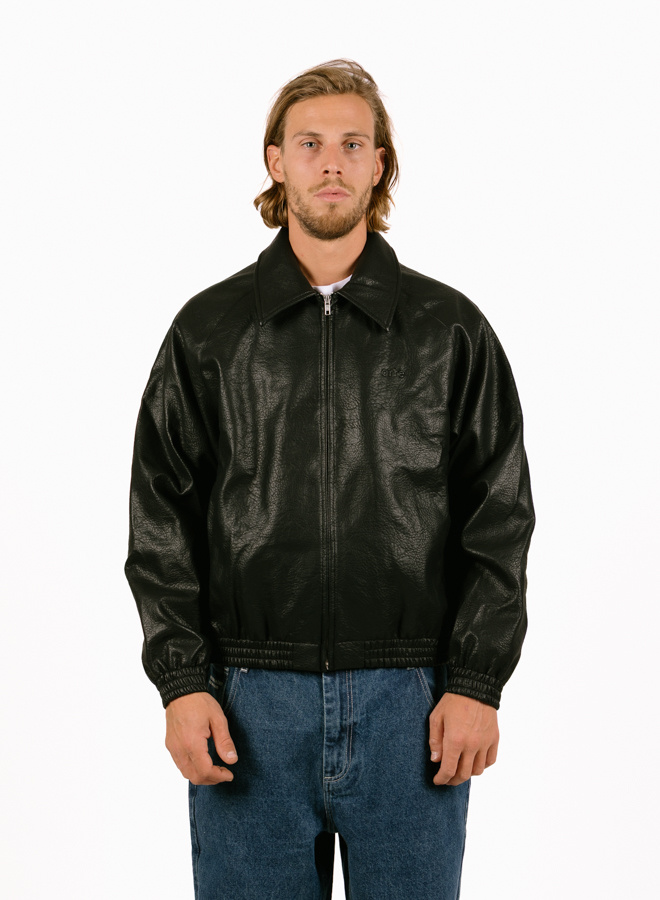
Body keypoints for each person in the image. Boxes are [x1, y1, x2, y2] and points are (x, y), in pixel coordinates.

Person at [124, 59, 535, 900]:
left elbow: (498, 517)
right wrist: (182, 683)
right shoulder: (209, 332)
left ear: (380, 164)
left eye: (353, 144)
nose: (332, 162)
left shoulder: (450, 330)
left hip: (410, 704)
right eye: (310, 144)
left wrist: (475, 681)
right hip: (247, 704)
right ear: (276, 161)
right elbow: (160, 518)